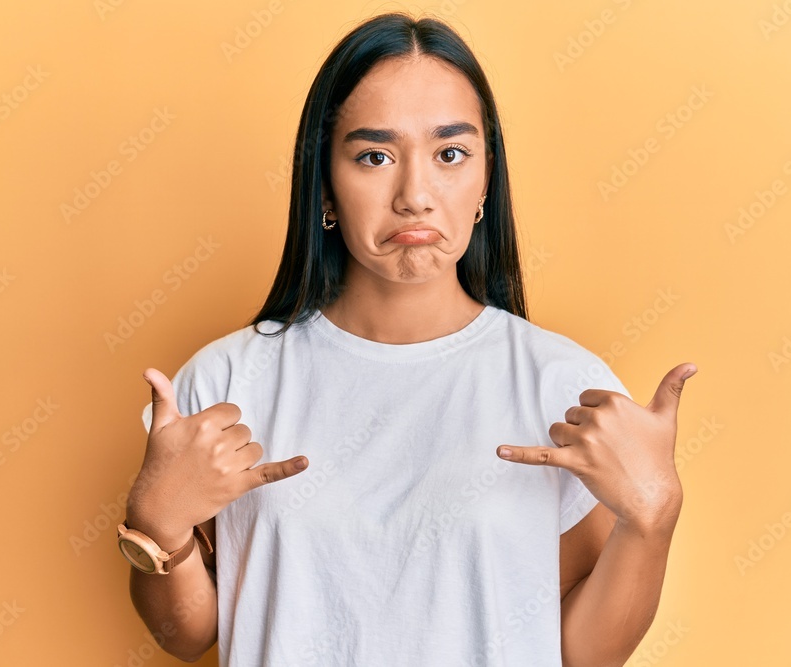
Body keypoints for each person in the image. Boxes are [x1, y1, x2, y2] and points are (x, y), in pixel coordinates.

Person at [121, 11, 696, 666]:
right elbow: (187, 634)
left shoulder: (562, 387)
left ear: (485, 182)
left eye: (450, 153)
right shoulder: (226, 382)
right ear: (326, 188)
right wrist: (157, 523)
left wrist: (653, 519)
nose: (415, 194)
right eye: (374, 156)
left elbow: (581, 652)